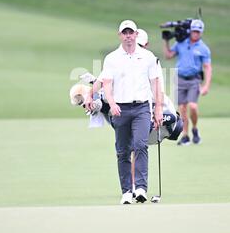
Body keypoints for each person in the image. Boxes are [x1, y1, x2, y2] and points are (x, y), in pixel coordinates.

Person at [85, 20, 163, 205]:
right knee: (122, 151)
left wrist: (158, 107)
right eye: (125, 32)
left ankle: (141, 188)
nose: (128, 35)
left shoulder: (148, 56)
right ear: (120, 35)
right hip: (120, 108)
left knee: (140, 145)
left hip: (142, 108)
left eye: (131, 32)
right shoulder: (112, 58)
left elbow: (155, 83)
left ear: (136, 35)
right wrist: (111, 103)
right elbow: (107, 84)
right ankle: (127, 191)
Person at [163, 19, 212, 146]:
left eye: (198, 31)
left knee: (193, 106)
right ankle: (185, 135)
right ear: (190, 31)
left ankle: (194, 128)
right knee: (182, 108)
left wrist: (206, 85)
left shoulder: (203, 48)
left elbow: (207, 67)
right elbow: (168, 55)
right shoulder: (181, 43)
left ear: (201, 32)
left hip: (194, 79)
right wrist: (166, 41)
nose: (195, 33)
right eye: (194, 31)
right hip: (180, 78)